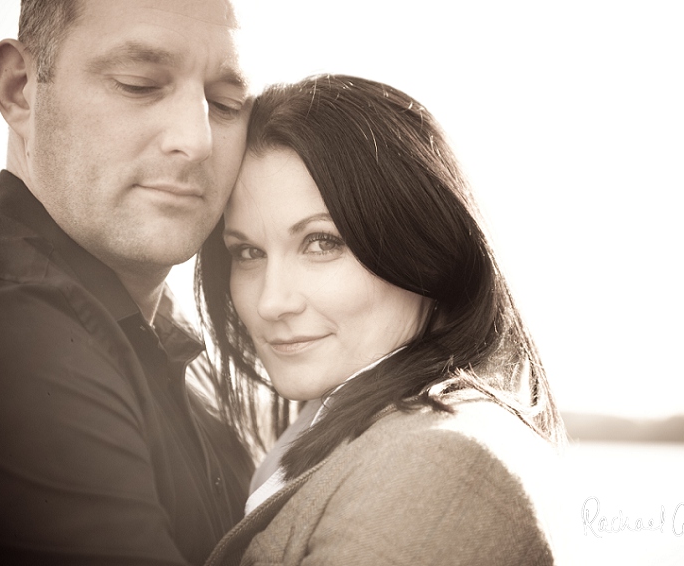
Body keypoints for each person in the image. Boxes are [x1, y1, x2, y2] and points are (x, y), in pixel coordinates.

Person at [196, 74, 568, 565]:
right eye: (247, 252)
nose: (271, 302)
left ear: (425, 250)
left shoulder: (438, 466)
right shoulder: (343, 437)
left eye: (322, 242)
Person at [0, 1, 256, 564]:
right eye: (138, 84)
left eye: (225, 104)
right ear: (20, 88)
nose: (197, 140)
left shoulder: (181, 353)